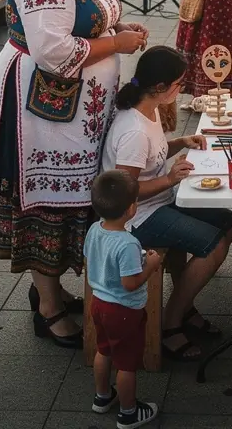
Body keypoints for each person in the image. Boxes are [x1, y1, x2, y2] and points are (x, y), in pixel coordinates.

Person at [0, 0, 149, 347]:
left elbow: (93, 16)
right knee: (46, 199)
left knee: (72, 194)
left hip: (78, 108)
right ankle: (48, 307)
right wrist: (116, 45)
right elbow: (54, 52)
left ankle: (50, 290)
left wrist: (118, 28)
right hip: (43, 107)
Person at [102, 46, 232, 361]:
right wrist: (169, 179)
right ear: (160, 87)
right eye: (179, 84)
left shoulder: (145, 109)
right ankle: (171, 322)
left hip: (159, 201)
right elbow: (126, 192)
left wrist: (181, 142)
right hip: (136, 217)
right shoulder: (133, 131)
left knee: (229, 222)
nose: (182, 89)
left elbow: (154, 153)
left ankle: (184, 301)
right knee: (214, 244)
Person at [85, 170, 162, 428]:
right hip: (124, 311)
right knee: (127, 363)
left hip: (98, 303)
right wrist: (150, 264)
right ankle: (128, 413)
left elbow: (97, 259)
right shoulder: (128, 243)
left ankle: (102, 397)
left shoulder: (94, 230)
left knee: (104, 350)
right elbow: (130, 283)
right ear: (131, 209)